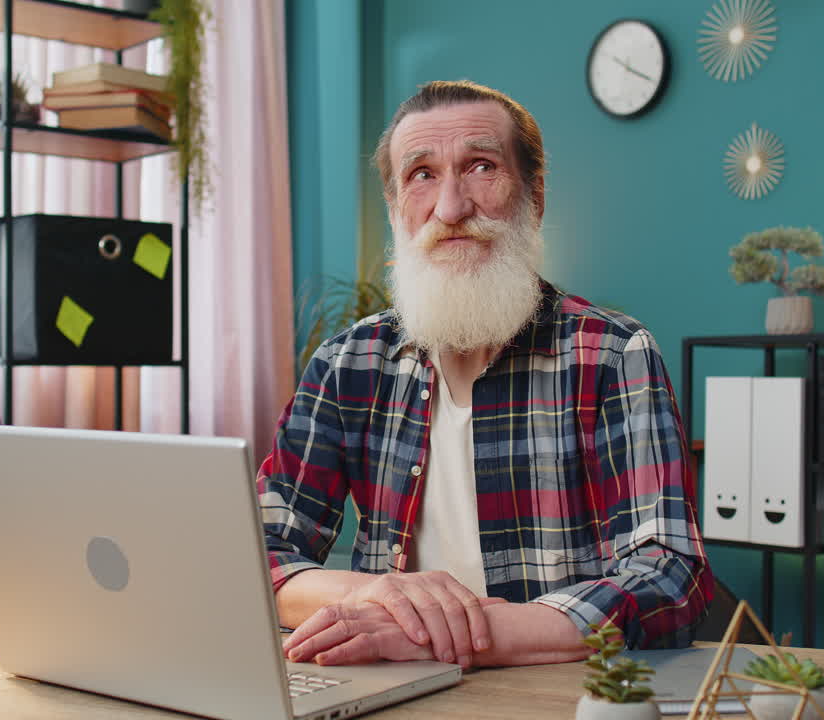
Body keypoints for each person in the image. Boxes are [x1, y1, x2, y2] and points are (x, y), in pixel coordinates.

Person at [258, 80, 712, 670]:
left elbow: (670, 573)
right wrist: (369, 594)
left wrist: (463, 634)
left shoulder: (613, 354)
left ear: (535, 197)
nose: (450, 208)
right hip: (386, 686)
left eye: (480, 167)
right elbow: (259, 551)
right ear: (396, 209)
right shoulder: (348, 362)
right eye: (422, 174)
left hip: (556, 692)